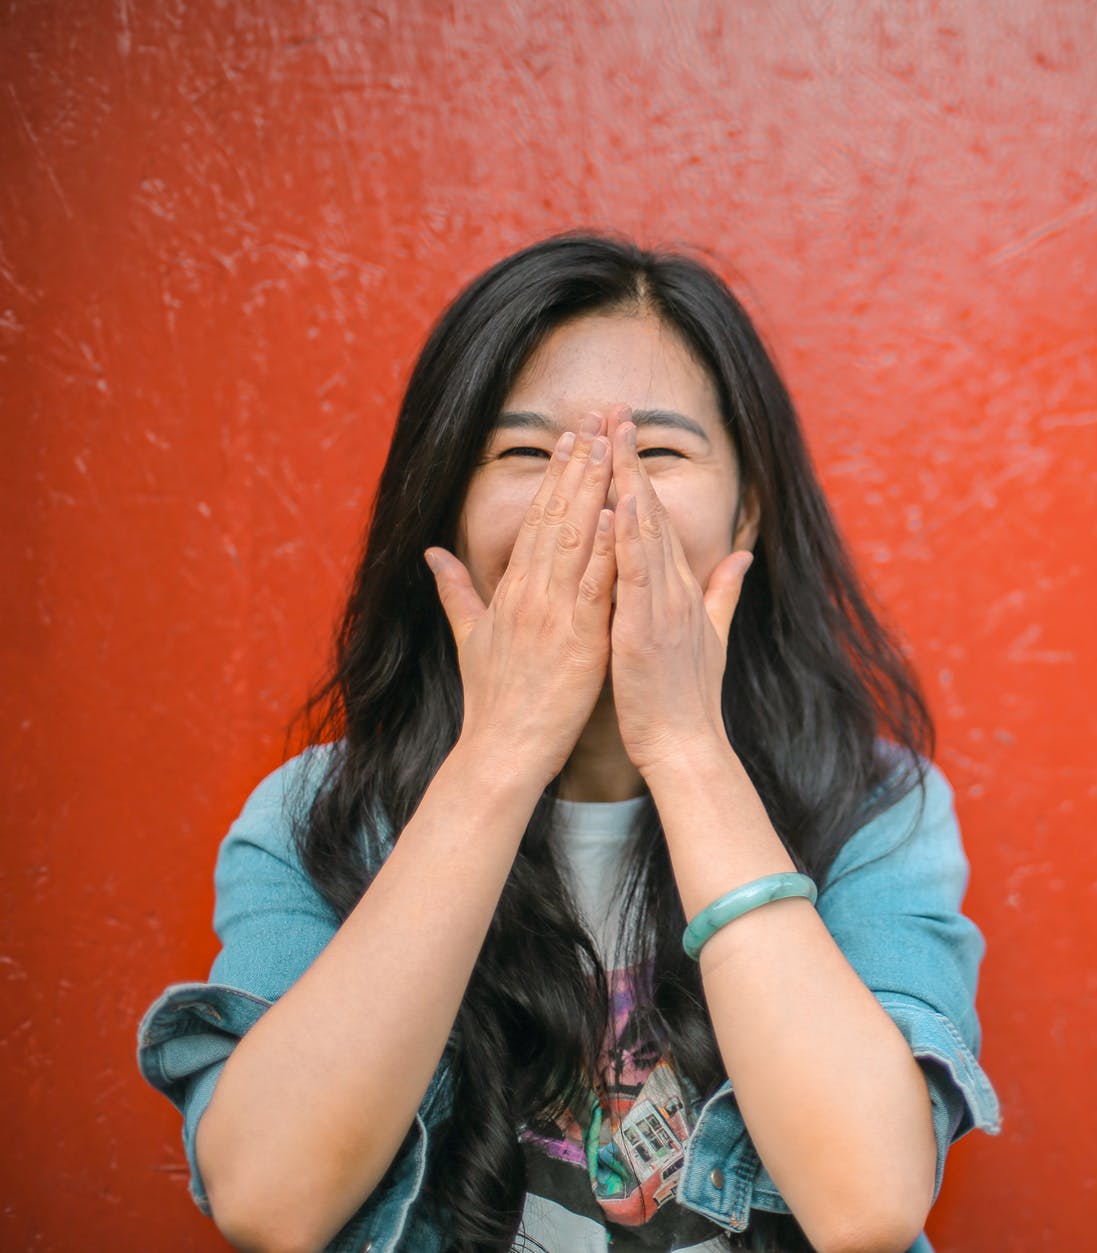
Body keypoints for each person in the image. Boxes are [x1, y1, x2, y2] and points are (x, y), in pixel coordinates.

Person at [136, 234, 1000, 1253]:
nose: (594, 495)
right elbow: (270, 1198)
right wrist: (500, 754)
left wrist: (684, 743)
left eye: (660, 453)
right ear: (447, 509)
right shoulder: (313, 818)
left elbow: (867, 1203)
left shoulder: (875, 810)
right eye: (526, 454)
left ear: (747, 510)